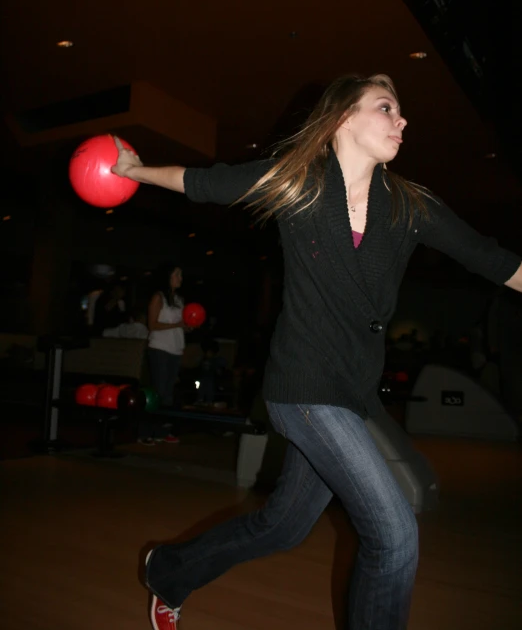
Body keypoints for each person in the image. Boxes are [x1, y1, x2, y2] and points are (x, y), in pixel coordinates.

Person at [112, 74, 522, 630]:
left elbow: (493, 260)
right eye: (387, 107)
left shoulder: (410, 205)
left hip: (350, 394)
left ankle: (168, 571)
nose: (402, 121)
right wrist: (133, 171)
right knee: (395, 533)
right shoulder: (296, 183)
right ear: (342, 118)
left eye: (400, 111)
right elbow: (202, 182)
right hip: (302, 386)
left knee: (283, 526)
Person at [138, 263, 187, 446]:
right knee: (157, 392)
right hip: (159, 348)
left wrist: (187, 326)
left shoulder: (179, 300)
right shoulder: (158, 297)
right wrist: (178, 325)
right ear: (168, 277)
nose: (180, 278)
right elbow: (152, 325)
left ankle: (161, 431)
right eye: (177, 274)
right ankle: (144, 432)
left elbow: (181, 325)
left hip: (176, 348)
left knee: (168, 394)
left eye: (180, 275)